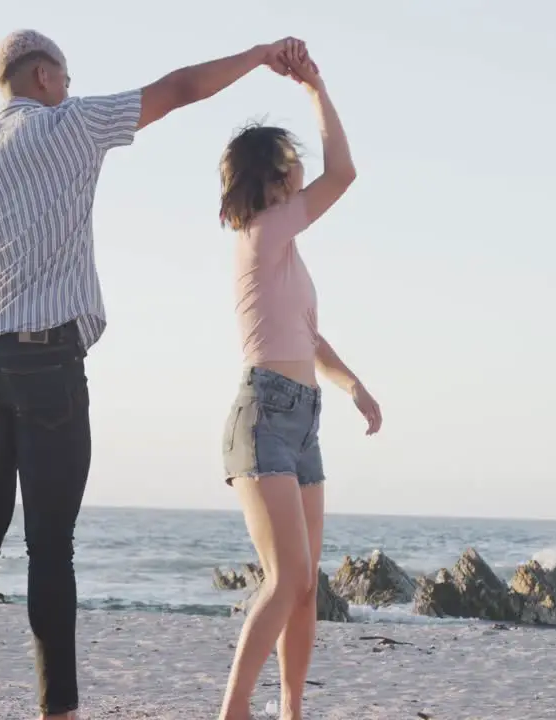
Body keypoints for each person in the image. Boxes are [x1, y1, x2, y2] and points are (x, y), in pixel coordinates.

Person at [0, 29, 313, 720]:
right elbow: (180, 89)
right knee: (50, 544)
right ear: (43, 76)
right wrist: (255, 57)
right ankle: (58, 712)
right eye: (65, 76)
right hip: (48, 364)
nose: (69, 86)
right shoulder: (71, 124)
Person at [215, 47, 381, 720]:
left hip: (302, 417)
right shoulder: (264, 230)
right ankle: (233, 711)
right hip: (263, 417)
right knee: (285, 578)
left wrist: (353, 387)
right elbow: (343, 170)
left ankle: (291, 710)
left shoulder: (283, 248)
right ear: (273, 177)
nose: (299, 167)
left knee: (305, 584)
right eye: (289, 160)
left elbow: (308, 340)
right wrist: (315, 86)